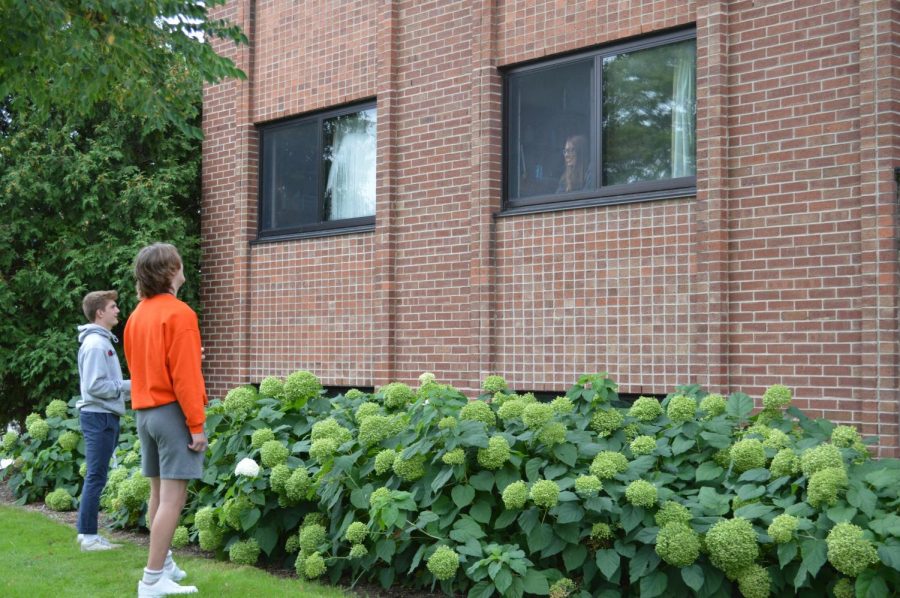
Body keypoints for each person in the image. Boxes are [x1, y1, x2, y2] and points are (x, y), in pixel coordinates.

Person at [124, 243, 208, 597]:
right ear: (172, 270)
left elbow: (142, 364)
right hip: (171, 412)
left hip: (145, 412)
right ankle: (152, 578)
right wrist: (197, 426)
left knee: (159, 494)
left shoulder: (136, 315)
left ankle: (163, 564)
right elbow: (186, 378)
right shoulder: (179, 314)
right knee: (173, 498)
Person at [76, 290, 130, 552]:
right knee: (96, 475)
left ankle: (89, 533)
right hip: (98, 416)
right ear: (100, 312)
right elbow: (95, 386)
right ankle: (87, 536)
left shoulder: (102, 342)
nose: (117, 310)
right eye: (113, 306)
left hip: (103, 415)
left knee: (97, 475)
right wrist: (131, 386)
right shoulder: (96, 344)